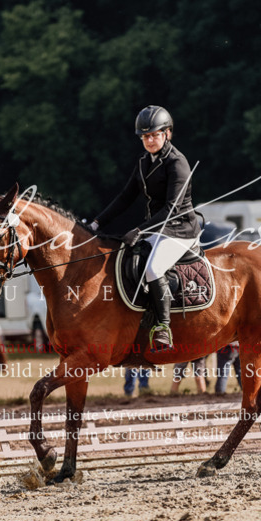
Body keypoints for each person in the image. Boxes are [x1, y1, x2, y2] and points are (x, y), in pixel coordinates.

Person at [89, 106, 201, 352]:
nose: (150, 140)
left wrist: (138, 230)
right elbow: (125, 198)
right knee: (124, 260)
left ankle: (163, 327)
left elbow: (171, 208)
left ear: (167, 134)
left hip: (180, 230)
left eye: (155, 135)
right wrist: (96, 223)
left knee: (152, 267)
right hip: (156, 229)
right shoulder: (143, 162)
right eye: (145, 136)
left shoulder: (177, 162)